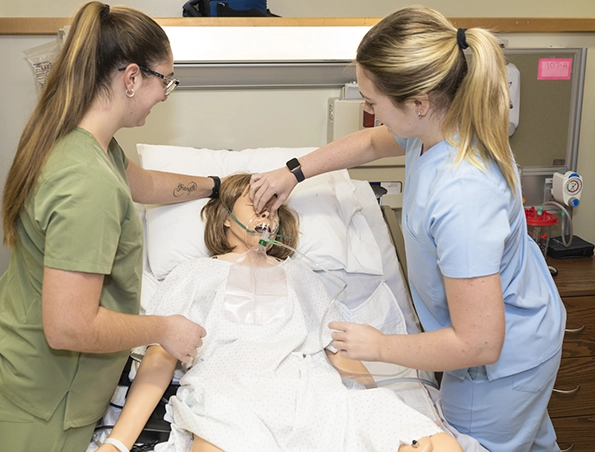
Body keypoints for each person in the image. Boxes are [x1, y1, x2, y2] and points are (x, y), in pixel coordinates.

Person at [249, 6, 567, 452]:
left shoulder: (463, 194)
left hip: (498, 364)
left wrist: (380, 345)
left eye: (373, 102)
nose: (367, 110)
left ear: (418, 103)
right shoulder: (442, 123)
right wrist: (294, 172)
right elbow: (371, 142)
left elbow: (478, 344)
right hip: (521, 328)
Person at [0, 1, 212, 452]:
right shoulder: (88, 185)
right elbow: (69, 328)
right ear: (133, 77)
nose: (165, 94)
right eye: (166, 81)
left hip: (14, 356)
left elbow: (144, 184)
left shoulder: (81, 141)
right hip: (40, 400)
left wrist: (217, 184)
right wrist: (164, 328)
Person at [95, 173, 463, 452]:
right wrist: (118, 443)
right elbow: (160, 356)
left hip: (311, 397)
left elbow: (337, 350)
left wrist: (376, 398)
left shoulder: (300, 274)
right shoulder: (194, 274)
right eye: (254, 202)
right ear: (225, 218)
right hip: (228, 398)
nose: (266, 212)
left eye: (272, 205)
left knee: (438, 443)